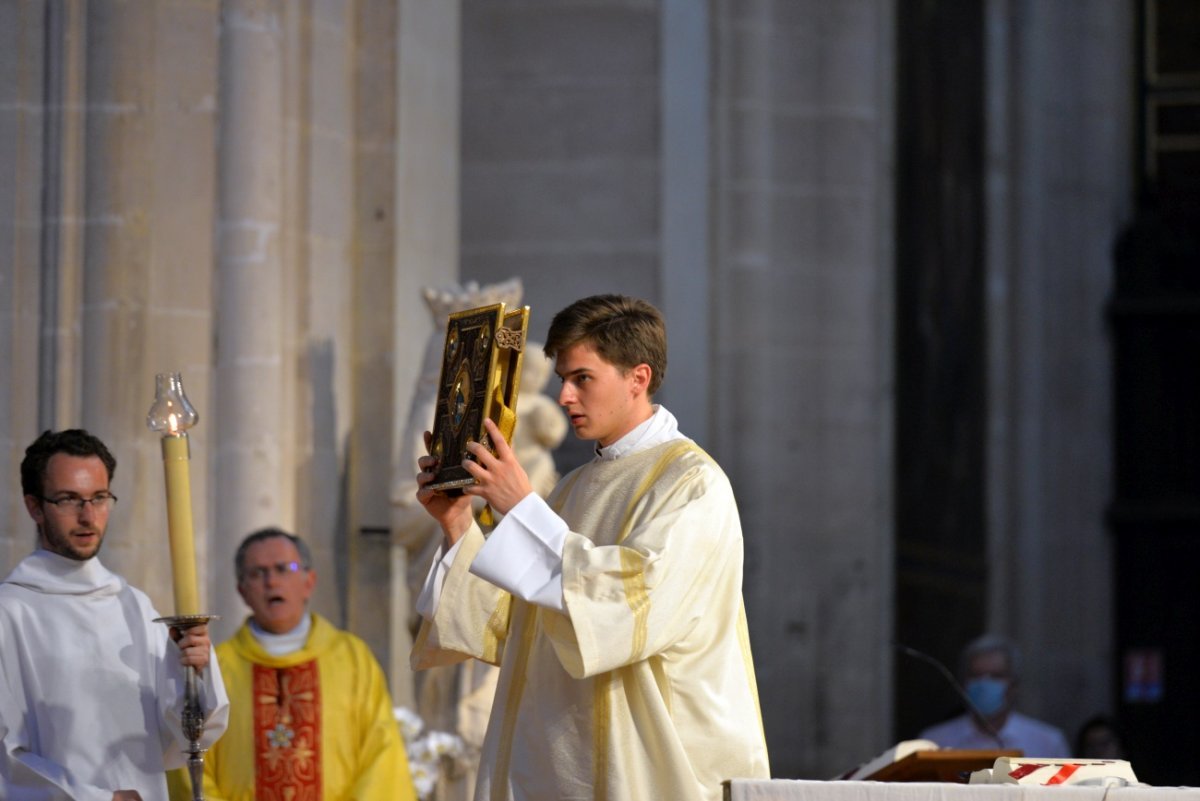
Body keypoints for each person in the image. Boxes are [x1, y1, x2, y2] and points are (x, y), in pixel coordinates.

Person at [413, 294, 771, 801]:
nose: (564, 397)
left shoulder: (691, 484)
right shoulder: (571, 489)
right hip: (554, 763)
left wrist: (522, 511)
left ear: (638, 378)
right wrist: (456, 525)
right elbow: (515, 629)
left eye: (582, 378)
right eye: (562, 378)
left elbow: (629, 606)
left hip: (646, 767)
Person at [0, 428, 230, 801]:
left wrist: (198, 672)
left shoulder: (134, 607)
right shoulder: (10, 614)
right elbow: (4, 756)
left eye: (99, 497)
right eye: (68, 499)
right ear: (34, 507)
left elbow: (184, 739)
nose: (88, 515)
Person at [196, 527, 416, 801]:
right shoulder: (216, 669)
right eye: (257, 573)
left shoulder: (352, 659)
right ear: (242, 591)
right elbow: (193, 766)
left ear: (309, 581)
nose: (271, 581)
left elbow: (382, 759)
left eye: (283, 568)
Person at [919, 634, 1070, 757]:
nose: (985, 683)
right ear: (964, 683)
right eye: (976, 675)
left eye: (996, 676)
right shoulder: (934, 742)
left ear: (1014, 685)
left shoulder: (1048, 743)